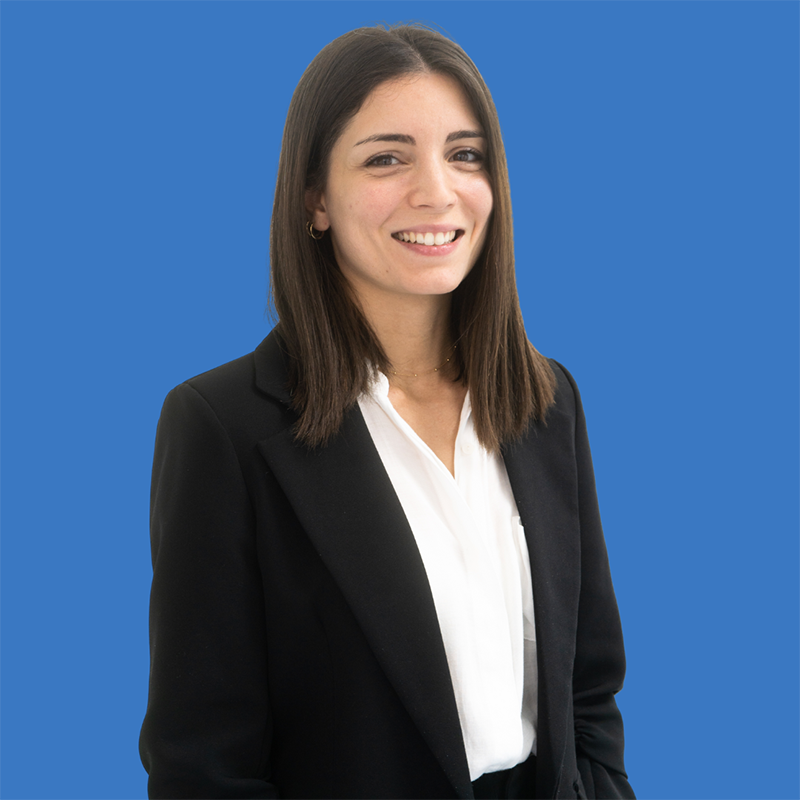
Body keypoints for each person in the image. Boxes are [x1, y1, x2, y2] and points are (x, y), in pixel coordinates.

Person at [139, 24, 636, 800]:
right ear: (316, 199)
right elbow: (203, 768)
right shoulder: (223, 428)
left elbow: (589, 690)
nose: (437, 191)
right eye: (386, 158)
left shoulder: (546, 402)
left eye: (465, 154)